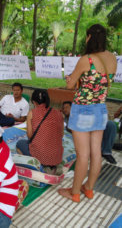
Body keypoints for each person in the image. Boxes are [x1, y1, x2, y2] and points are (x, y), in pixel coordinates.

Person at [58, 24, 117, 203]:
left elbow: (70, 85)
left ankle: (74, 192)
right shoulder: (112, 58)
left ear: (90, 37)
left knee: (83, 155)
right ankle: (89, 189)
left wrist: (69, 79)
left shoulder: (87, 59)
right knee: (96, 153)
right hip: (100, 108)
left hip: (83, 109)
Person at [16, 89, 64, 174]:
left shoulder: (32, 113)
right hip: (56, 157)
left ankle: (38, 166)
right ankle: (53, 166)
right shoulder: (58, 113)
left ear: (34, 102)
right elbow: (62, 134)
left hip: (40, 156)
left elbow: (30, 136)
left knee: (20, 144)